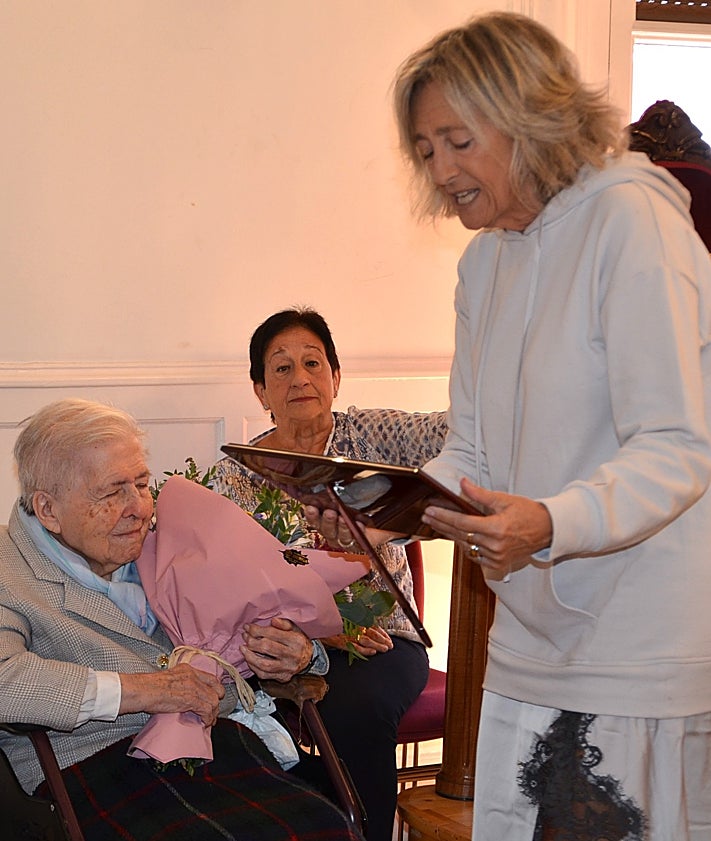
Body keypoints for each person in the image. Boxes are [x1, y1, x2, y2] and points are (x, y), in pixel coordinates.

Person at [314, 12, 711, 841]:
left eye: (457, 140)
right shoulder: (484, 261)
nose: (439, 168)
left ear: (529, 120)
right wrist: (379, 508)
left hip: (636, 637)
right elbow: (475, 449)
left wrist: (550, 521)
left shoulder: (630, 223)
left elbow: (677, 447)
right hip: (531, 636)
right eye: (425, 149)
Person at [0, 398, 365, 841]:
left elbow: (252, 624)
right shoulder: (9, 571)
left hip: (218, 744)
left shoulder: (167, 542)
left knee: (325, 827)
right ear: (49, 509)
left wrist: (298, 654)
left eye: (140, 484)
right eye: (113, 492)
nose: (138, 508)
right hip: (87, 767)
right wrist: (148, 691)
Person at [211, 306, 447, 841]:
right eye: (282, 368)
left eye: (313, 363)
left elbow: (451, 440)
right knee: (229, 719)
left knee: (352, 709)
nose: (300, 379)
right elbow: (232, 586)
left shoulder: (368, 435)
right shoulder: (237, 473)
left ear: (336, 378)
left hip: (383, 642)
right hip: (274, 646)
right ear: (259, 391)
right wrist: (324, 631)